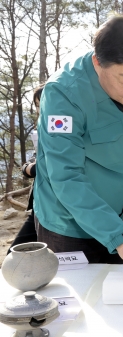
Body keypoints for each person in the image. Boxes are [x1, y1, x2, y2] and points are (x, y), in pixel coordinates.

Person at [34, 16, 123, 278]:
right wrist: (120, 236)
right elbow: (66, 176)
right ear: (97, 63)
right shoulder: (64, 94)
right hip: (66, 226)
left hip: (112, 218)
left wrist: (117, 229)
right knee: (77, 306)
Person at [7, 85, 45, 255]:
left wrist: (35, 168)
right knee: (15, 256)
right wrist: (29, 168)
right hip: (41, 205)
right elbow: (31, 163)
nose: (40, 109)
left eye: (43, 103)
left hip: (61, 208)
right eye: (37, 105)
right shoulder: (41, 131)